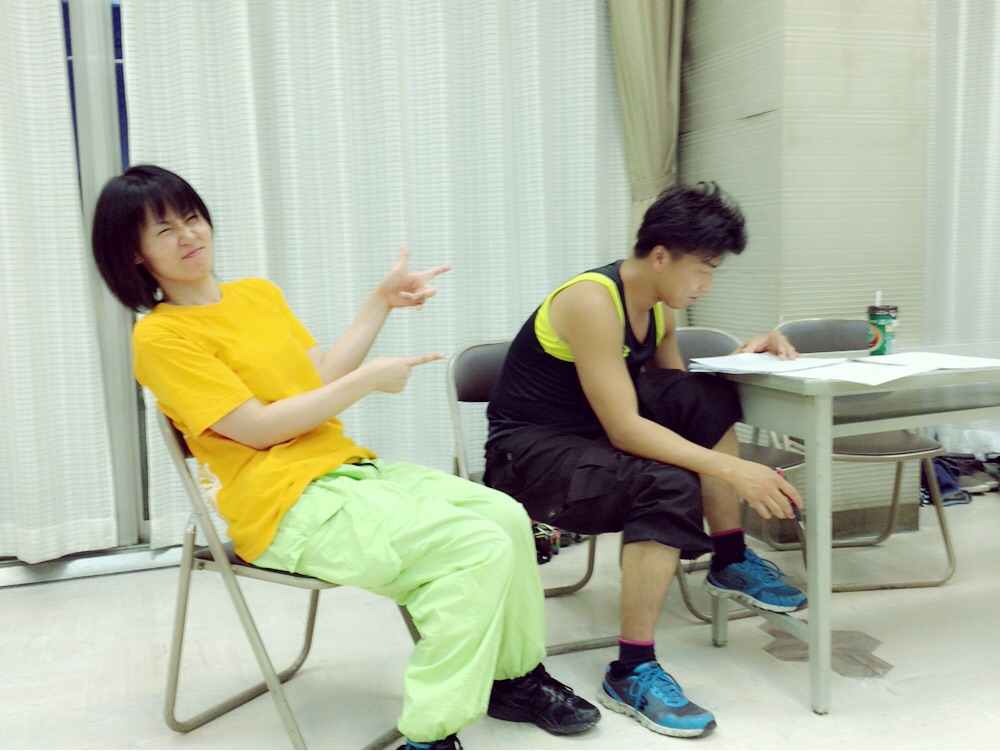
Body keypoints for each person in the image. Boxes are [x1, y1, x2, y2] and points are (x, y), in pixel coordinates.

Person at [91, 164, 600, 750]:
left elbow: (318, 377)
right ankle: (429, 736)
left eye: (191, 217)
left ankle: (512, 679)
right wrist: (367, 381)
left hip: (346, 471)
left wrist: (380, 303)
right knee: (471, 547)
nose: (188, 235)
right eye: (164, 231)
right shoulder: (160, 337)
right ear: (135, 254)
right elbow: (255, 429)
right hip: (282, 505)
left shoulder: (257, 295)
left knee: (505, 517)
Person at [483, 182, 807, 739]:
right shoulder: (591, 301)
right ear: (660, 256)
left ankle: (729, 558)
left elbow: (677, 400)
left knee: (705, 394)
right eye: (703, 270)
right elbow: (626, 428)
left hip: (591, 438)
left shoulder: (658, 311)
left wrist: (741, 360)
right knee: (665, 483)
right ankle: (631, 671)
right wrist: (734, 469)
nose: (706, 285)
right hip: (531, 454)